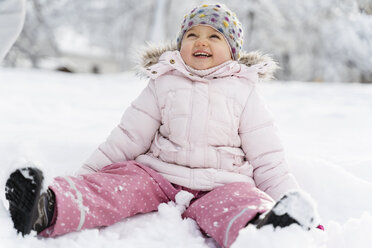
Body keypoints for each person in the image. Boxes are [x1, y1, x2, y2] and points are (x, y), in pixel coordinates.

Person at [5, 4, 320, 248]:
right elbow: (125, 140)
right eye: (192, 35)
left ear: (233, 51)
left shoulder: (245, 93)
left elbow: (270, 162)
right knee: (119, 185)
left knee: (240, 202)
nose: (201, 41)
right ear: (180, 45)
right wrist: (83, 179)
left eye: (214, 36)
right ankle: (48, 206)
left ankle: (272, 229)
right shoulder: (164, 84)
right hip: (158, 176)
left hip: (221, 183)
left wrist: (290, 200)